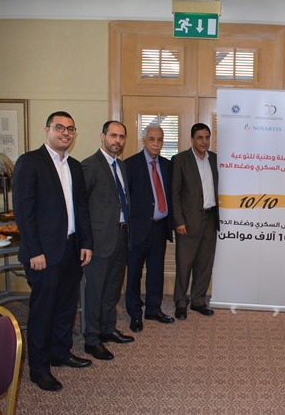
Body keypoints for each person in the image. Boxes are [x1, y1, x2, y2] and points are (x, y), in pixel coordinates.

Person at [13, 111, 93, 392]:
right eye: (59, 127)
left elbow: (81, 208)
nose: (65, 133)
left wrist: (86, 243)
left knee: (66, 307)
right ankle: (39, 368)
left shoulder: (74, 166)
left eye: (70, 129)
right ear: (47, 130)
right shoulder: (30, 162)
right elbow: (23, 212)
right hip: (43, 254)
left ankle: (61, 352)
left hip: (71, 248)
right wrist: (34, 251)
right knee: (43, 311)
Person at [81, 120, 134, 362]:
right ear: (102, 137)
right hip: (99, 240)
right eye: (113, 136)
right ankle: (92, 339)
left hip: (121, 236)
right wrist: (85, 242)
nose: (117, 141)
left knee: (113, 287)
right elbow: (82, 208)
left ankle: (108, 328)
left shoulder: (121, 166)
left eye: (121, 137)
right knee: (95, 290)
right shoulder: (89, 166)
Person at [125, 125, 175, 330]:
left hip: (159, 228)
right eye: (152, 139)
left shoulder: (167, 165)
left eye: (160, 139)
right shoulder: (130, 165)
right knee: (134, 274)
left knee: (156, 272)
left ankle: (154, 309)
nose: (156, 143)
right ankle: (135, 313)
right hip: (138, 229)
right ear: (143, 141)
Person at [171, 123, 219, 320]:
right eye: (200, 137)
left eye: (207, 137)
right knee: (184, 264)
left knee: (205, 264)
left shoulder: (214, 159)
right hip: (188, 221)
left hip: (210, 218)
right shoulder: (180, 160)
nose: (204, 141)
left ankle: (198, 301)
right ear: (192, 139)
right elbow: (174, 194)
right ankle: (181, 302)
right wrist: (178, 220)